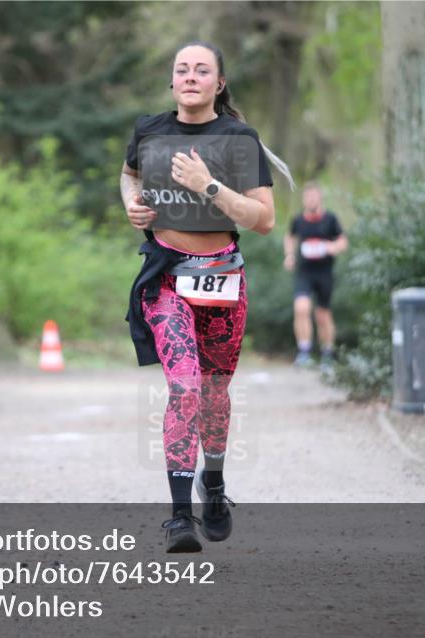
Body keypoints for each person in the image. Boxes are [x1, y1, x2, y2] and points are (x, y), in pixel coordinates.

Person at [122, 41, 294, 553]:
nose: (191, 76)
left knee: (215, 397)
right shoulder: (149, 131)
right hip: (167, 278)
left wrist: (209, 185)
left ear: (219, 83)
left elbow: (264, 221)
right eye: (182, 69)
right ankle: (179, 518)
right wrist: (132, 202)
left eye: (202, 70)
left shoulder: (239, 139)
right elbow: (129, 175)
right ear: (172, 81)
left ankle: (213, 484)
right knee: (186, 389)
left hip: (223, 281)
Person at [283, 182, 347, 372]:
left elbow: (343, 241)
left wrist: (333, 247)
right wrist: (290, 255)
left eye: (314, 196)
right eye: (307, 197)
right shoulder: (298, 220)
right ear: (304, 200)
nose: (311, 200)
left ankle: (328, 353)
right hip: (305, 272)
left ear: (319, 198)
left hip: (324, 273)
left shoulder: (330, 219)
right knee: (301, 308)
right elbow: (289, 237)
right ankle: (304, 352)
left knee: (322, 315)